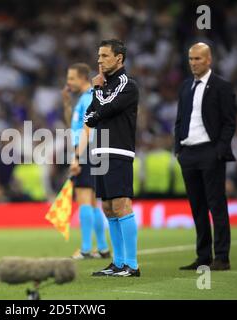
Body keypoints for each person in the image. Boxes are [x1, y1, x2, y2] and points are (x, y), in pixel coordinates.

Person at [175, 42, 236, 271]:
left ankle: (222, 257)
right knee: (197, 207)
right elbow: (180, 120)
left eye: (198, 59)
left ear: (209, 60)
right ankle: (203, 257)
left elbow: (230, 123)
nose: (193, 63)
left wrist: (219, 150)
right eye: (190, 59)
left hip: (210, 152)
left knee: (216, 206)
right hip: (188, 153)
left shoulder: (222, 86)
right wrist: (178, 149)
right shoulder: (184, 87)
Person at [84, 39, 140, 277]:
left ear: (119, 58)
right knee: (107, 207)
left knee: (120, 204)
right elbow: (89, 117)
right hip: (100, 151)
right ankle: (118, 263)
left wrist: (97, 91)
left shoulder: (127, 84)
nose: (99, 60)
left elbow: (105, 109)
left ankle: (132, 264)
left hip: (118, 150)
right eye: (98, 56)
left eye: (105, 56)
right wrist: (98, 97)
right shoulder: (104, 87)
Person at [62, 63, 110, 260]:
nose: (68, 82)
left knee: (84, 199)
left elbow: (86, 129)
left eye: (72, 78)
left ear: (83, 78)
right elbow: (73, 126)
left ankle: (85, 248)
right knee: (90, 201)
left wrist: (76, 157)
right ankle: (103, 247)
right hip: (89, 150)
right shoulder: (82, 99)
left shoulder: (89, 97)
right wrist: (66, 104)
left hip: (86, 150)